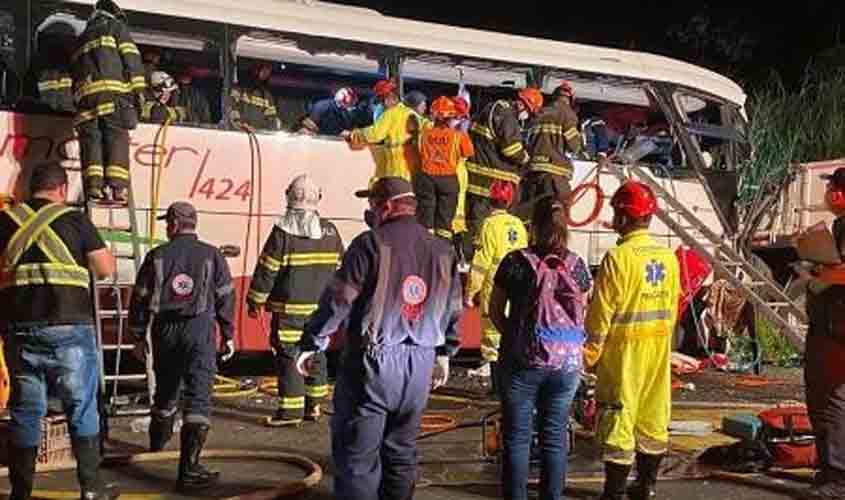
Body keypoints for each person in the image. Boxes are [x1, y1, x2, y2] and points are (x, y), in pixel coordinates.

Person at [296, 177, 463, 500]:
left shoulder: (370, 244)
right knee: (401, 453)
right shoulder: (443, 250)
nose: (369, 211)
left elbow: (340, 300)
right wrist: (445, 351)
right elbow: (453, 306)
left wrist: (312, 342)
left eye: (372, 204)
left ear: (385, 206)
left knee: (358, 457)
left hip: (373, 364)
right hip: (421, 365)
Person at [0, 163, 117, 500]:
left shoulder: (7, 221)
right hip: (69, 329)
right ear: (62, 190)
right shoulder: (75, 220)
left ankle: (20, 493)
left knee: (26, 410)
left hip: (20, 329)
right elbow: (106, 269)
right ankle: (92, 489)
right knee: (80, 406)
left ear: (29, 187)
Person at [489, 196, 592, 500]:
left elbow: (494, 309)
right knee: (555, 435)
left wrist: (515, 336)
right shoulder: (577, 265)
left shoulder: (516, 262)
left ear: (532, 225)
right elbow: (582, 311)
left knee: (518, 437)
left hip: (523, 362)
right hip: (566, 366)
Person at [128, 201, 236, 492]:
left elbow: (139, 298)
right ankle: (189, 469)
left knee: (165, 392)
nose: (166, 227)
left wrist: (138, 337)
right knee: (198, 397)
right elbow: (226, 296)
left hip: (164, 331)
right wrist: (228, 333)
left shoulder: (156, 256)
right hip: (199, 329)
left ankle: (156, 449)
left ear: (174, 224)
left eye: (167, 223)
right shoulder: (212, 255)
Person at [584, 181, 680, 500]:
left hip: (623, 353)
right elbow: (673, 306)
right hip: (658, 351)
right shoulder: (668, 257)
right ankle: (647, 485)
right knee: (653, 416)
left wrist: (589, 355)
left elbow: (600, 315)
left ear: (623, 217)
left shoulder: (618, 257)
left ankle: (613, 492)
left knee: (618, 418)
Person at [246, 175, 344, 427]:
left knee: (289, 355)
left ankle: (291, 411)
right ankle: (314, 406)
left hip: (290, 311)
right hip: (322, 311)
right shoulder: (331, 230)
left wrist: (255, 300)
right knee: (316, 351)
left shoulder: (283, 233)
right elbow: (341, 268)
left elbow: (267, 270)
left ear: (289, 195)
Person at [71, 0, 145, 202]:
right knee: (116, 138)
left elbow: (74, 72)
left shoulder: (81, 39)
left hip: (86, 102)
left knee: (91, 142)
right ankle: (118, 188)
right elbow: (132, 59)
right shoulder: (115, 28)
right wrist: (138, 91)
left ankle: (94, 186)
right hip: (112, 96)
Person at [801, 167, 845, 499]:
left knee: (833, 400)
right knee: (825, 399)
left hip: (838, 330)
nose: (828, 194)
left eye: (831, 187)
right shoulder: (839, 226)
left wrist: (821, 274)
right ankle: (830, 470)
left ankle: (838, 477)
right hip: (829, 325)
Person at [465, 87, 542, 259]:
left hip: (478, 178)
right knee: (484, 226)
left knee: (476, 224)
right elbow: (511, 149)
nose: (527, 117)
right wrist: (526, 158)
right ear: (523, 105)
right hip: (492, 182)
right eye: (529, 112)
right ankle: (478, 259)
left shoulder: (493, 108)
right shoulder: (507, 116)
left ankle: (473, 257)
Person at [465, 180, 527, 391]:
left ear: (490, 200)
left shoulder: (489, 225)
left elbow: (482, 261)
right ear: (510, 202)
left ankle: (497, 386)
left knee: (492, 336)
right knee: (513, 332)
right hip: (518, 284)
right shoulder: (518, 224)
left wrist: (472, 289)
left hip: (495, 282)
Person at [342, 80, 424, 183]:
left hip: (396, 167)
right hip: (414, 169)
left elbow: (375, 134)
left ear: (388, 98)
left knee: (382, 188)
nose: (381, 105)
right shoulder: (414, 115)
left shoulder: (390, 114)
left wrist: (353, 135)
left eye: (381, 100)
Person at [416, 96, 474, 240]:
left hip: (426, 178)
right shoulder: (458, 136)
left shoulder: (423, 134)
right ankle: (442, 249)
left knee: (425, 216)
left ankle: (422, 246)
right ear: (451, 117)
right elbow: (469, 153)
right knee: (445, 220)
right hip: (448, 180)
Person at [522, 82, 584, 214]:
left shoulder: (540, 112)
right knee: (556, 214)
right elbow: (574, 146)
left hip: (533, 170)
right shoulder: (568, 114)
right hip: (555, 173)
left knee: (531, 213)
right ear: (570, 100)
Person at [228, 62, 281, 131]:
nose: (266, 74)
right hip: (238, 134)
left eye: (268, 71)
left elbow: (272, 118)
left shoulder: (267, 96)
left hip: (258, 136)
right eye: (264, 70)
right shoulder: (239, 89)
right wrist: (239, 124)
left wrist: (275, 125)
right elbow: (232, 107)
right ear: (256, 70)